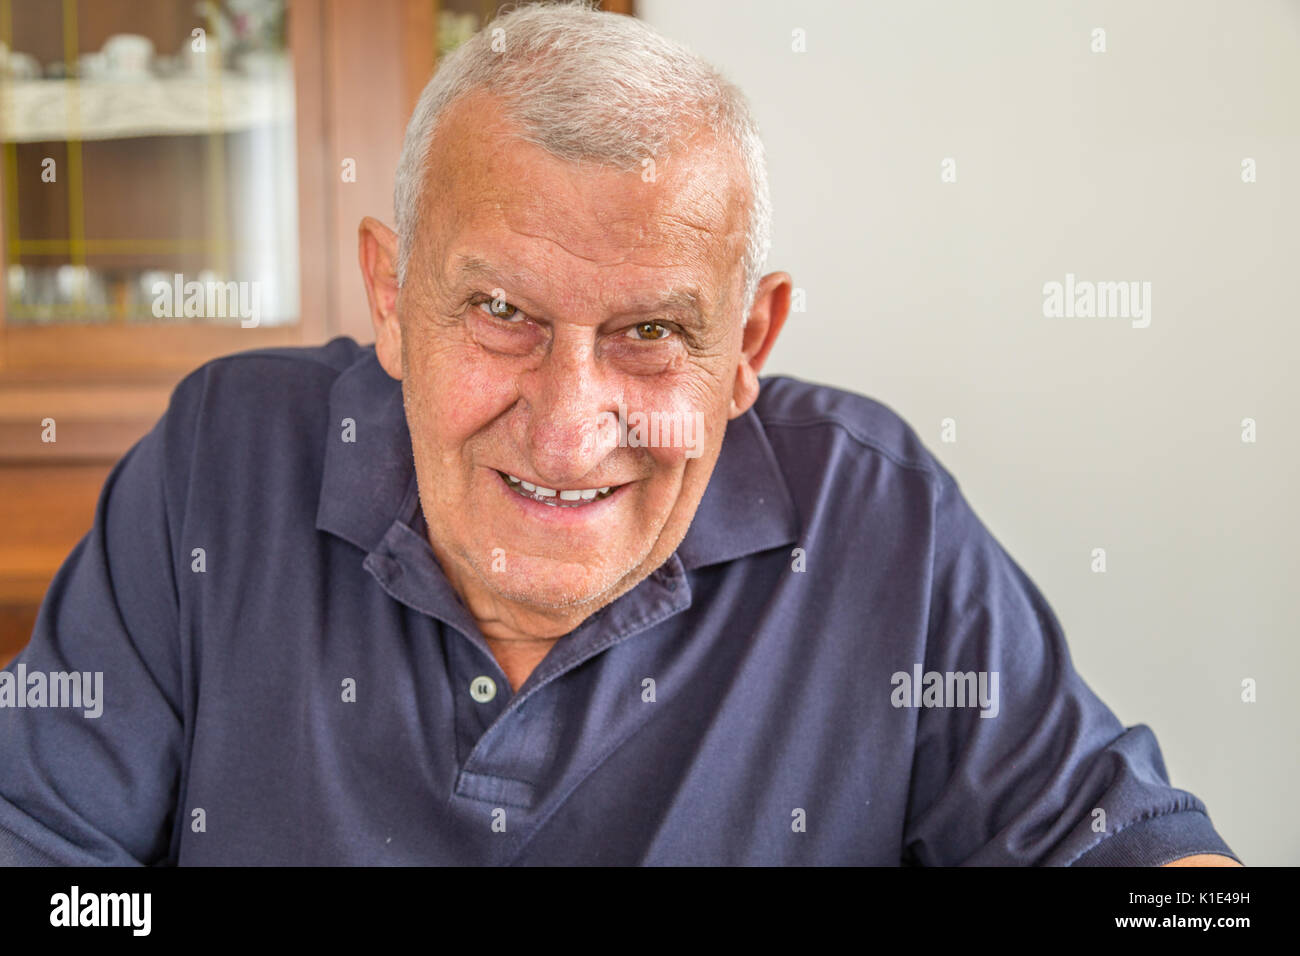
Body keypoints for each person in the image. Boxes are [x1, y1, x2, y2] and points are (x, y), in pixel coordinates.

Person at [0, 1, 1238, 866]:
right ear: (391, 295)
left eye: (650, 330)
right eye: (499, 313)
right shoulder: (224, 455)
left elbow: (1121, 847)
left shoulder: (878, 514)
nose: (565, 424)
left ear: (749, 343)